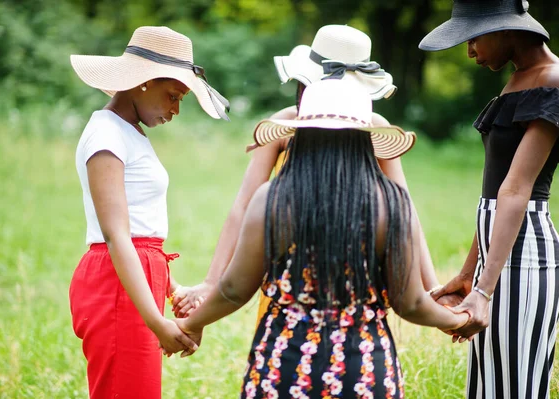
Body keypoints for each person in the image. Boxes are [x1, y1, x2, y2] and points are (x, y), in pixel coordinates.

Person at [174, 79, 470, 398]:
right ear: (364, 138)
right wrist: (457, 318)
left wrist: (189, 325)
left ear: (302, 134)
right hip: (365, 369)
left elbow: (233, 290)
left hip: (281, 365)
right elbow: (410, 304)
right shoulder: (390, 203)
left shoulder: (272, 199)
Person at [172, 24, 442, 324]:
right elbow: (244, 205)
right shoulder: (285, 125)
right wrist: (212, 281)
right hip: (290, 267)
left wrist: (432, 288)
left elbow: (405, 212)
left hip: (351, 267)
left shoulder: (375, 128)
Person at [68, 26, 229, 399]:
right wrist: (157, 321)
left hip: (134, 280)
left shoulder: (127, 131)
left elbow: (141, 226)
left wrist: (172, 289)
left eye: (181, 100)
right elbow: (117, 235)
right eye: (172, 96)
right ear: (143, 82)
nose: (175, 110)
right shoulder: (106, 135)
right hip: (116, 285)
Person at [419, 1, 559, 397]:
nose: (469, 51)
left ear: (505, 29)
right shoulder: (519, 80)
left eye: (474, 38)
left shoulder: (553, 81)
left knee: (515, 389)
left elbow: (517, 190)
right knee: (486, 387)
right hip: (498, 257)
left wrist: (484, 290)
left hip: (524, 256)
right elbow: (495, 197)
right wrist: (469, 274)